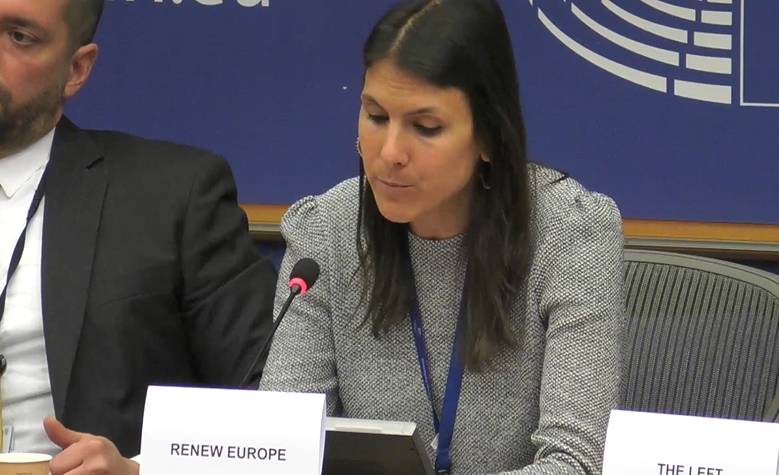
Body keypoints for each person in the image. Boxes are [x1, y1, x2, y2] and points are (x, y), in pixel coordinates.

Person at [259, 0, 625, 473]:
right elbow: (281, 450)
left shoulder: (571, 234)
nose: (390, 153)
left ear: (489, 136)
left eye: (425, 127)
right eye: (375, 117)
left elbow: (576, 462)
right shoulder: (326, 231)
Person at [0, 0, 276, 473]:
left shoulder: (171, 197)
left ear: (76, 69)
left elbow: (271, 402)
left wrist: (140, 470)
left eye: (19, 37)